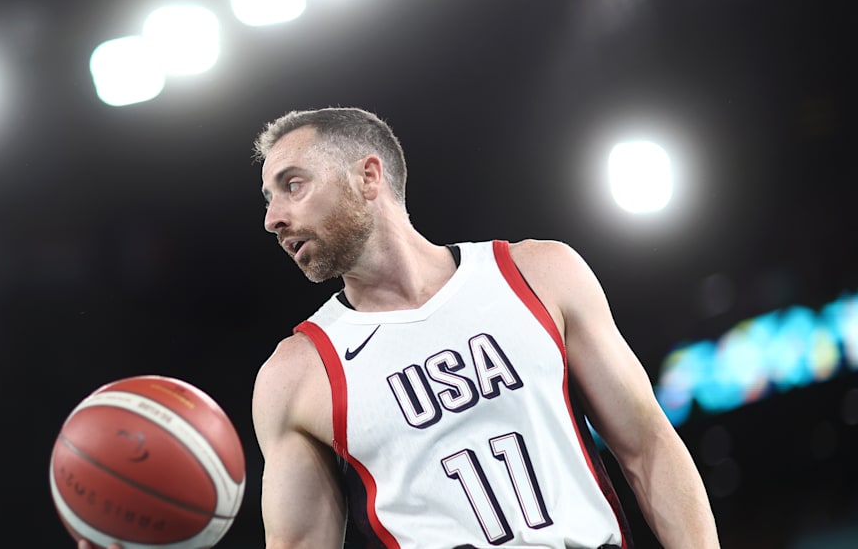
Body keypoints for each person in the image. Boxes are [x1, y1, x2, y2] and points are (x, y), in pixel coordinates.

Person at [249, 107, 719, 548]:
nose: (273, 219)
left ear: (368, 177)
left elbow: (648, 448)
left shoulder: (539, 274)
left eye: (293, 185)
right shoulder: (294, 375)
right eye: (269, 199)